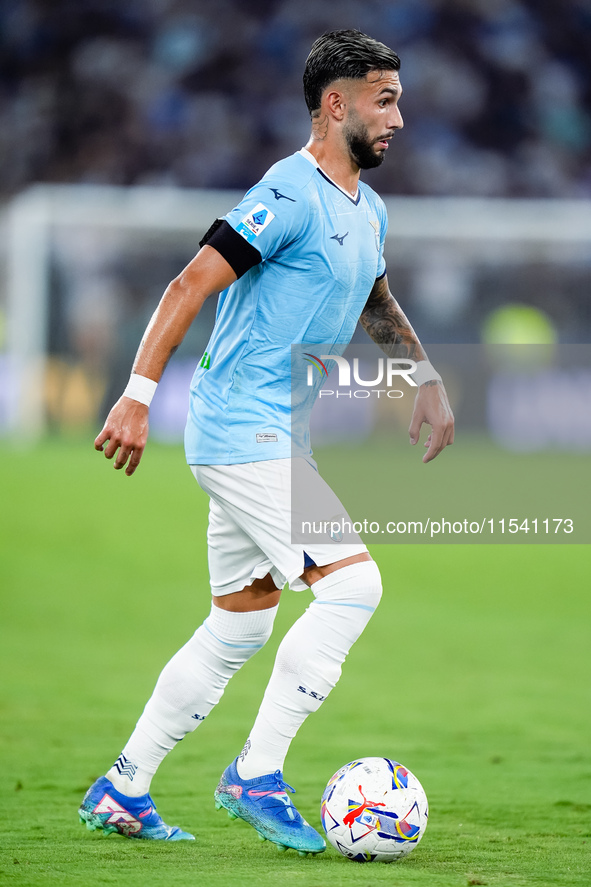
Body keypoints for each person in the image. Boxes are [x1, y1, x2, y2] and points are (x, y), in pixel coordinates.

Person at [78, 29, 454, 855]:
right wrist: (137, 396)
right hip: (239, 427)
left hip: (274, 435)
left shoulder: (369, 208)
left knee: (240, 627)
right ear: (335, 104)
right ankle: (256, 773)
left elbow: (376, 301)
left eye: (398, 98)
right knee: (354, 588)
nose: (398, 116)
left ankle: (124, 786)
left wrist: (421, 378)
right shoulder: (284, 196)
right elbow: (189, 282)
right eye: (384, 99)